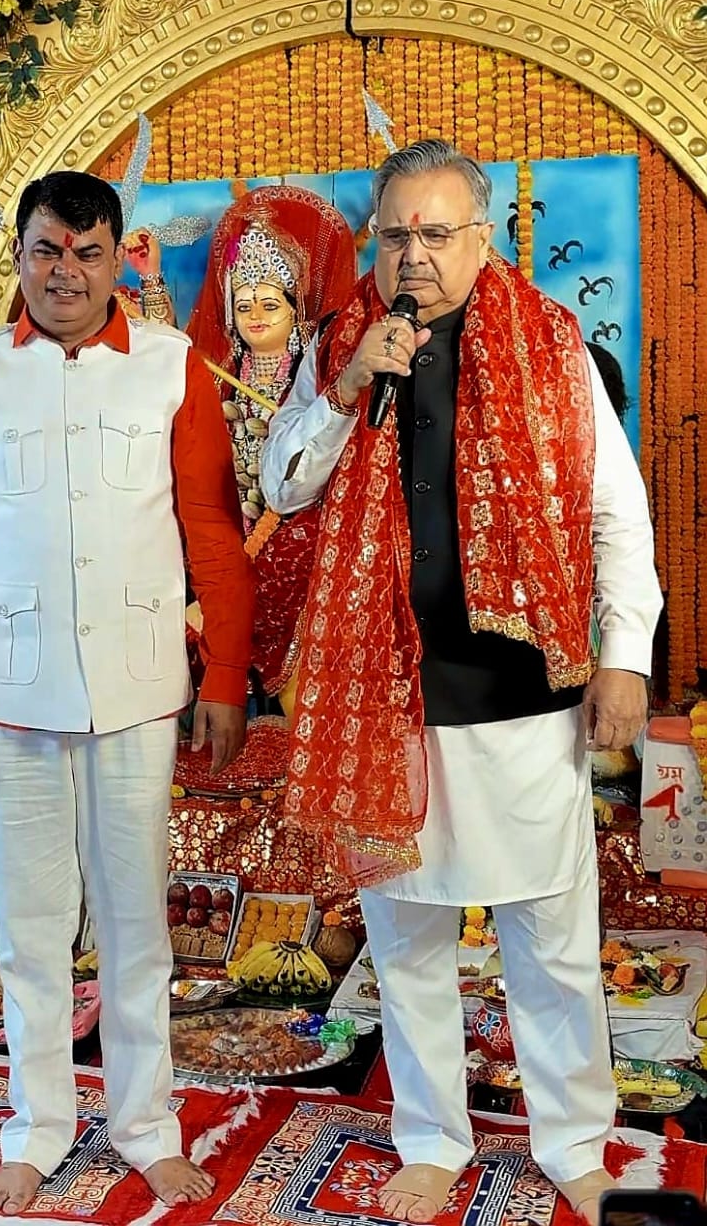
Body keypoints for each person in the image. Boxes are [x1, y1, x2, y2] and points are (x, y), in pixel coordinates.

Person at [261, 140, 662, 1225]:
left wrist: (624, 655)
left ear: (483, 239)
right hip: (382, 697)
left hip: (522, 696)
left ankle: (573, 1139)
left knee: (550, 941)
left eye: (438, 234)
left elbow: (615, 515)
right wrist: (347, 385)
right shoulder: (339, 344)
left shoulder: (554, 344)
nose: (415, 256)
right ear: (374, 240)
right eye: (397, 234)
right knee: (406, 943)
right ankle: (432, 1138)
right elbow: (283, 485)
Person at [0, 170, 254, 1216]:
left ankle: (145, 1126)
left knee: (138, 925)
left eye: (88, 253)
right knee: (30, 928)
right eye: (47, 250)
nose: (66, 273)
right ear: (19, 256)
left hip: (138, 690)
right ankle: (37, 1126)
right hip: (14, 695)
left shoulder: (171, 368)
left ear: (115, 260)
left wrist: (226, 676)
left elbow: (215, 536)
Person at [186, 185, 356, 717]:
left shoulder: (312, 378)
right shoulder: (217, 380)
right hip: (228, 537)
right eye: (243, 306)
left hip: (298, 542)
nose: (255, 316)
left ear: (295, 310)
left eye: (269, 304)